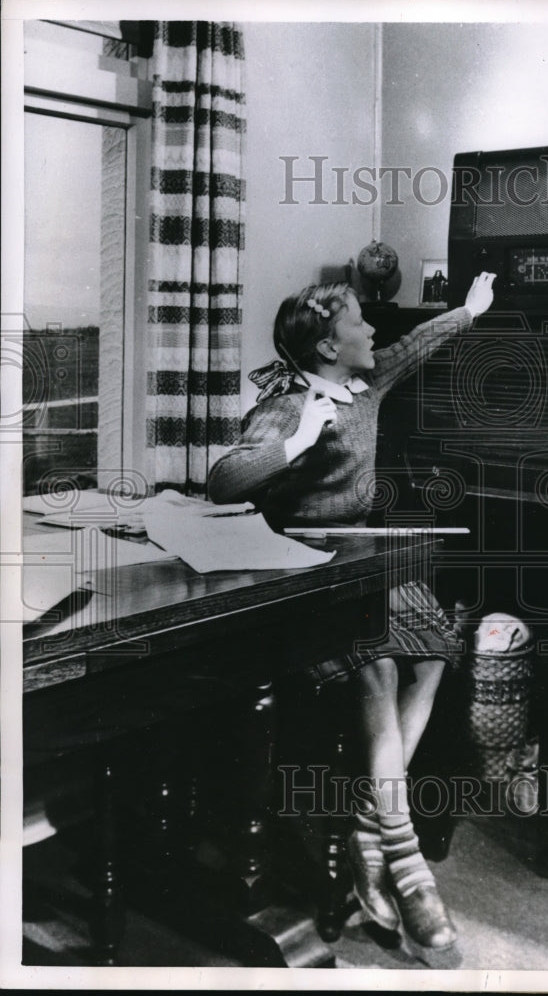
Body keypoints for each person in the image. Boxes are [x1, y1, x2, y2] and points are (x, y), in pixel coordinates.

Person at [208, 272, 496, 949]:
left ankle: (367, 838)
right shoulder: (288, 403)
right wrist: (300, 440)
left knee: (431, 655)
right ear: (330, 346)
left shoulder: (367, 381)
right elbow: (223, 480)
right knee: (382, 670)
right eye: (362, 324)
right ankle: (406, 862)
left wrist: (471, 311)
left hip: (366, 561)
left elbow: (417, 343)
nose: (375, 333)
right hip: (308, 578)